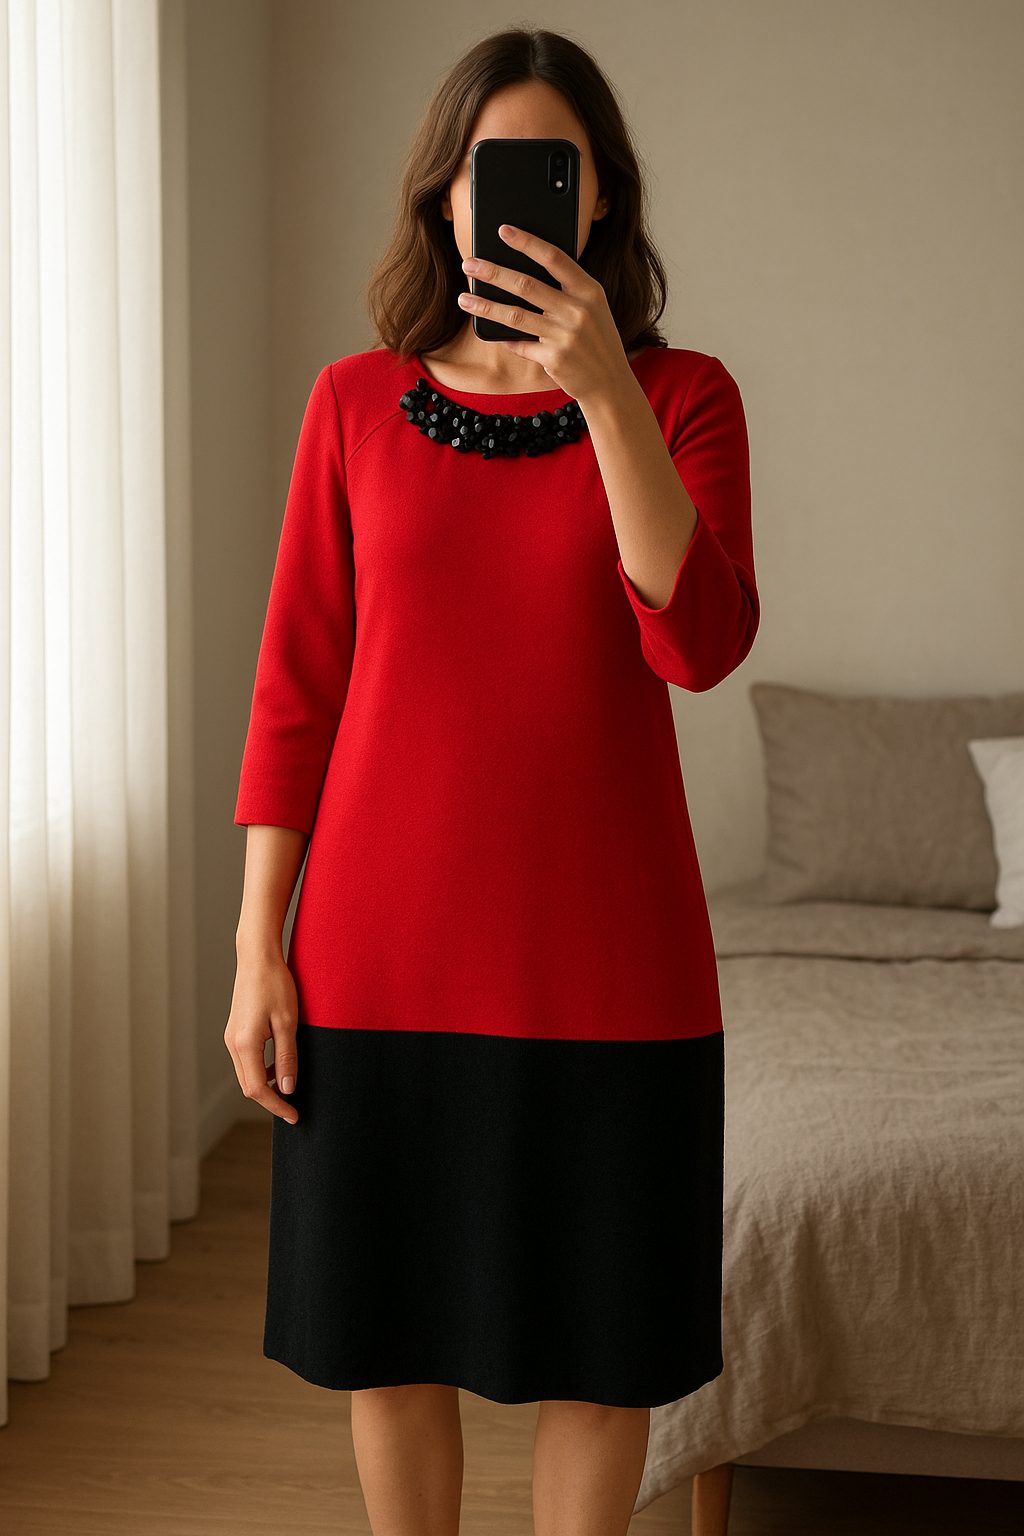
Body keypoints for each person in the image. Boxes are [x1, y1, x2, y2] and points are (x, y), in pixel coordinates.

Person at [224, 25, 758, 1536]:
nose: (517, 196)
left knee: (606, 1365)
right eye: (488, 167)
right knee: (389, 1351)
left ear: (599, 201)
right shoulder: (352, 407)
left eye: (554, 168)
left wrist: (603, 398)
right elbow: (294, 698)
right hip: (376, 961)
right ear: (445, 199)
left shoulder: (687, 399)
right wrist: (257, 947)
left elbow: (700, 641)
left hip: (617, 971)